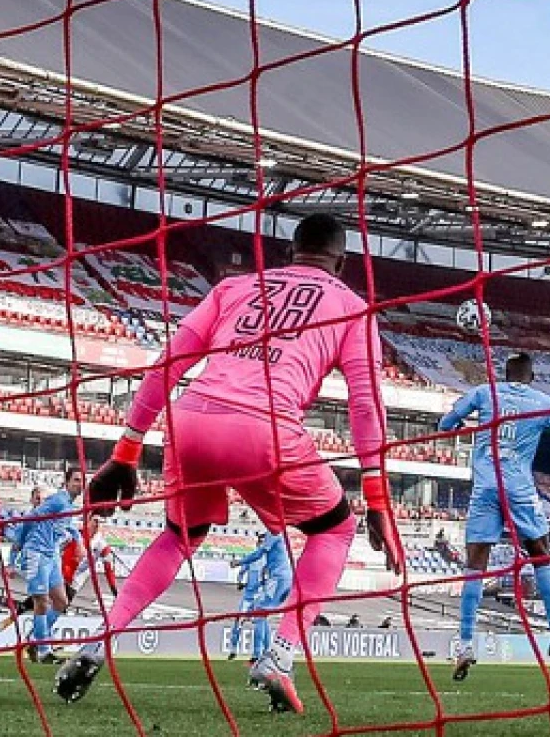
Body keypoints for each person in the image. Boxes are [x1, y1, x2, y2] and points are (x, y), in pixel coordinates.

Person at [55, 214, 400, 714]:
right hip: (267, 430)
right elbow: (365, 405)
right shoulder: (351, 306)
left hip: (191, 420)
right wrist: (376, 498)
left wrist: (125, 453)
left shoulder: (235, 287)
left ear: (289, 253)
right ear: (341, 263)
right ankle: (279, 656)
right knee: (335, 531)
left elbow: (168, 363)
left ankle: (96, 643)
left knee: (178, 537)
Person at [437, 352, 550, 682]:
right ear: (531, 378)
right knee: (541, 556)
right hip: (518, 487)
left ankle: (464, 646)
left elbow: (445, 424)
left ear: (505, 375)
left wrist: (461, 424)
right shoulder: (545, 402)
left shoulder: (485, 393)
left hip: (485, 487)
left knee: (475, 565)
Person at [6, 468, 83, 664]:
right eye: (75, 480)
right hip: (36, 553)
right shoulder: (57, 500)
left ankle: (36, 640)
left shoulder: (68, 505)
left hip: (52, 556)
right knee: (42, 602)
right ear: (66, 483)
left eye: (82, 480)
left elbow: (70, 526)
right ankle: (44, 650)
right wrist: (12, 560)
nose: (79, 484)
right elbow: (28, 520)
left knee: (61, 602)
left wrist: (79, 541)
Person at [229, 531, 293, 668]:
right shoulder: (278, 537)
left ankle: (258, 657)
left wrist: (238, 562)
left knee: (259, 613)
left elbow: (258, 554)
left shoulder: (274, 533)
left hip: (278, 579)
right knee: (261, 615)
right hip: (281, 579)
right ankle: (265, 653)